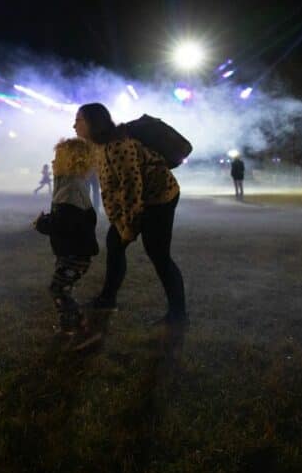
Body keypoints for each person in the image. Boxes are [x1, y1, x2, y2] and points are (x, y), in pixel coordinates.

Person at [75, 103, 187, 326]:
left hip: (160, 198)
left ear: (92, 123)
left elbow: (130, 188)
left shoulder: (119, 146)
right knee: (114, 244)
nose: (74, 125)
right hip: (138, 197)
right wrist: (119, 222)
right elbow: (109, 189)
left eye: (78, 120)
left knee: (158, 253)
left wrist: (128, 226)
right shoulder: (98, 146)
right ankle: (108, 299)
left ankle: (178, 315)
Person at [33, 138, 101, 347]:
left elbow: (64, 224)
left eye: (57, 158)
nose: (53, 162)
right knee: (62, 289)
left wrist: (42, 223)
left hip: (75, 253)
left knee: (58, 289)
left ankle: (78, 328)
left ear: (71, 161)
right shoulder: (70, 184)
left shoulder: (70, 190)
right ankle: (75, 325)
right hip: (72, 251)